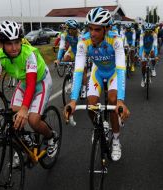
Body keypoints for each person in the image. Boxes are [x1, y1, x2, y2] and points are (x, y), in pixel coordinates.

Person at [0, 20, 58, 157]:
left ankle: (51, 137)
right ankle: (25, 138)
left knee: (33, 120)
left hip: (40, 82)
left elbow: (32, 83)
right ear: (1, 44)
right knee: (13, 114)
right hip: (24, 82)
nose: (14, 47)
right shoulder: (0, 56)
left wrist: (25, 109)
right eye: (9, 43)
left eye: (17, 42)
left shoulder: (29, 54)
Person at [64, 7, 130, 161]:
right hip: (98, 71)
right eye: (90, 28)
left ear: (106, 29)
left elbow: (121, 69)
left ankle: (116, 140)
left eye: (97, 30)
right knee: (91, 103)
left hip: (113, 72)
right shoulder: (83, 41)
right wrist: (73, 100)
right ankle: (98, 126)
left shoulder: (116, 40)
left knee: (113, 101)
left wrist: (121, 100)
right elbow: (79, 70)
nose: (92, 33)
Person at [55, 19, 87, 98]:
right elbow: (61, 47)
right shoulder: (64, 35)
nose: (67, 30)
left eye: (68, 29)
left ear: (74, 29)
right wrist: (58, 59)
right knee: (66, 58)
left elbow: (81, 51)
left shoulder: (80, 36)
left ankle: (84, 88)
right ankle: (71, 72)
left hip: (81, 52)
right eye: (67, 29)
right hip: (72, 50)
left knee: (83, 70)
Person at [139, 23, 159, 87]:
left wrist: (156, 56)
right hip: (144, 50)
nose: (148, 33)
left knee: (153, 54)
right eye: (146, 31)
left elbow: (155, 46)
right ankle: (143, 78)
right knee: (143, 65)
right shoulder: (142, 35)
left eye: (149, 31)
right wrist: (140, 56)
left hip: (151, 49)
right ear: (144, 30)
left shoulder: (154, 35)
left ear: (151, 31)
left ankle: (153, 68)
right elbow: (141, 46)